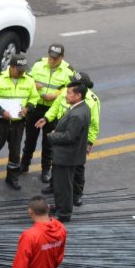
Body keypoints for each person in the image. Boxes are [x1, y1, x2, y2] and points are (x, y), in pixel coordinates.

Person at [0, 53, 39, 190]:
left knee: (15, 152)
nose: (21, 73)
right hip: (0, 122)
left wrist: (27, 108)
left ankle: (12, 178)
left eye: (24, 70)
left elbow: (34, 98)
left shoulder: (29, 80)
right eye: (19, 70)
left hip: (18, 123)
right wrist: (1, 111)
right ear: (11, 67)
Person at [41, 70, 99, 207]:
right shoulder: (68, 91)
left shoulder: (91, 101)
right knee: (57, 162)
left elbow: (94, 125)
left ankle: (77, 194)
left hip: (76, 137)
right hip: (62, 128)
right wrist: (46, 118)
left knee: (78, 169)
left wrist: (89, 143)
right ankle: (54, 185)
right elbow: (55, 107)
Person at [21, 43, 75, 183]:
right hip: (35, 107)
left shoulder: (68, 71)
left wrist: (56, 95)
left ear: (62, 58)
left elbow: (70, 90)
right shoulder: (39, 64)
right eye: (50, 57)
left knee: (48, 142)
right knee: (30, 139)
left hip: (53, 110)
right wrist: (33, 84)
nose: (51, 61)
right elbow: (26, 79)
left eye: (55, 59)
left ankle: (46, 169)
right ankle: (24, 164)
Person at [46, 82, 90, 222]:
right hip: (69, 155)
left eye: (69, 93)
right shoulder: (82, 107)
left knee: (63, 186)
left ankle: (64, 213)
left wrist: (52, 135)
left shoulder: (77, 114)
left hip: (66, 156)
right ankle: (60, 207)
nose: (66, 95)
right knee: (62, 184)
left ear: (78, 95)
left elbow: (69, 137)